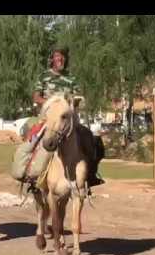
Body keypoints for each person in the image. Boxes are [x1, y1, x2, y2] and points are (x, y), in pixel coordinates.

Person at [26, 47, 105, 189]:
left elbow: (78, 96)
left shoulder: (71, 78)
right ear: (52, 59)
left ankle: (91, 176)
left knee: (91, 139)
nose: (60, 59)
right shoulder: (44, 76)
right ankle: (32, 176)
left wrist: (75, 102)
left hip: (68, 120)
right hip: (48, 118)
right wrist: (52, 103)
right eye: (57, 56)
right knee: (33, 141)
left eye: (63, 57)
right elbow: (36, 97)